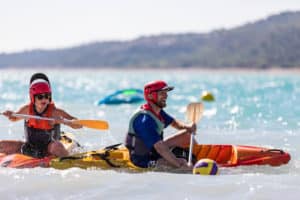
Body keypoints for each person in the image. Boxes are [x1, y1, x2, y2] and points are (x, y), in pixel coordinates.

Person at [1, 73, 82, 158]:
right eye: (40, 97)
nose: (44, 99)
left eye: (47, 96)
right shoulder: (27, 110)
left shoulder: (55, 112)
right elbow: (13, 118)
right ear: (33, 97)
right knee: (2, 145)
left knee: (56, 147)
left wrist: (65, 122)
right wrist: (10, 114)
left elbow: (79, 125)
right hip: (30, 147)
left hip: (49, 149)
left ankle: (67, 159)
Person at [125, 80, 197, 170]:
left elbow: (174, 123)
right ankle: (189, 164)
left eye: (166, 93)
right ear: (150, 95)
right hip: (141, 160)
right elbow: (160, 148)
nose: (166, 96)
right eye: (162, 93)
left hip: (153, 150)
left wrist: (188, 127)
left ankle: (194, 157)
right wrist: (179, 164)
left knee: (187, 135)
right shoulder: (144, 120)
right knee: (182, 164)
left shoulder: (157, 111)